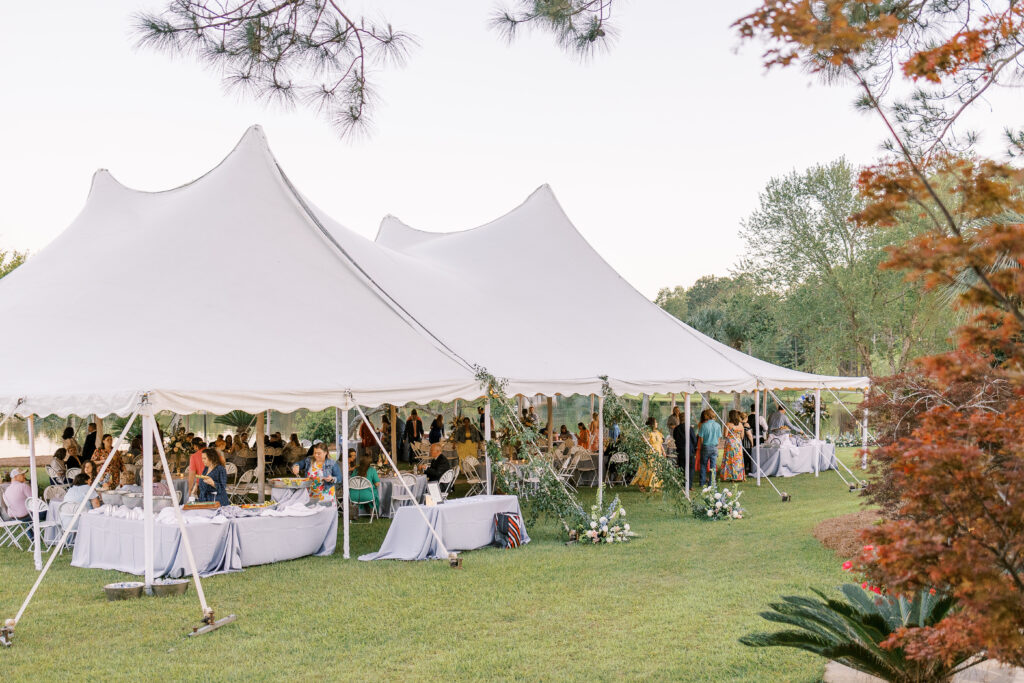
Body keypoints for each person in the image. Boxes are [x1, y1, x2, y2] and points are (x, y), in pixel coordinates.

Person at [3, 468, 44, 538]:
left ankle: (32, 537)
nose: (24, 476)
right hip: (25, 516)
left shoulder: (7, 490)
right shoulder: (24, 486)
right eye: (22, 475)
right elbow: (36, 502)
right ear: (15, 477)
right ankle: (51, 536)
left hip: (13, 517)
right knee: (46, 511)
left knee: (30, 512)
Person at [632, 418, 666, 490]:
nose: (657, 424)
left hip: (658, 453)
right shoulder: (647, 433)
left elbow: (660, 443)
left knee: (657, 470)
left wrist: (663, 451)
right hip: (650, 453)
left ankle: (655, 486)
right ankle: (641, 484)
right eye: (656, 422)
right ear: (652, 424)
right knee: (650, 470)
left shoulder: (658, 432)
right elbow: (645, 442)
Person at [696, 409, 722, 486]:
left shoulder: (704, 425)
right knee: (713, 466)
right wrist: (717, 444)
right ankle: (712, 483)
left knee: (703, 465)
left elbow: (701, 437)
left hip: (706, 446)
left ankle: (702, 482)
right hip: (714, 447)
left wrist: (702, 445)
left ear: (707, 415)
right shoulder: (718, 425)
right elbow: (719, 437)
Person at [718, 410, 746, 481]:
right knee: (738, 459)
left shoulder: (728, 424)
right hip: (738, 442)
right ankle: (739, 476)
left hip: (730, 442)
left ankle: (729, 476)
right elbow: (742, 436)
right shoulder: (740, 424)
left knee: (729, 458)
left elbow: (725, 435)